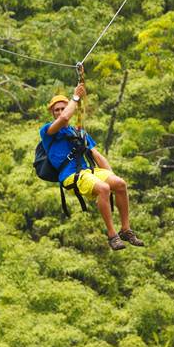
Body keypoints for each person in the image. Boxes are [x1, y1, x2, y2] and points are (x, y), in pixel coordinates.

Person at [40, 83, 145, 251]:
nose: (60, 112)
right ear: (52, 113)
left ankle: (125, 230)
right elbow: (64, 119)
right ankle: (112, 235)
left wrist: (112, 177)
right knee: (103, 188)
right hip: (70, 175)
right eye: (56, 110)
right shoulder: (48, 131)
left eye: (62, 108)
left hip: (88, 170)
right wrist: (75, 97)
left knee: (120, 184)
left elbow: (96, 155)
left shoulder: (79, 132)